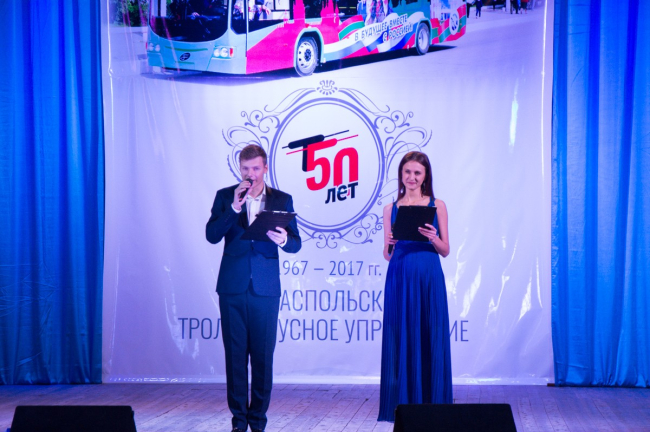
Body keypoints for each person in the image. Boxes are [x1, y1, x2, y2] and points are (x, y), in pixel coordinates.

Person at [206, 144, 302, 432]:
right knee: (235, 357)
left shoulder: (282, 199)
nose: (250, 174)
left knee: (262, 357)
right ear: (240, 168)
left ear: (265, 168)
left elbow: (295, 244)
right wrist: (234, 208)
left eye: (256, 168)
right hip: (232, 287)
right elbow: (212, 235)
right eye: (245, 169)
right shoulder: (225, 196)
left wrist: (283, 239)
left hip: (265, 288)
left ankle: (258, 421)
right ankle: (239, 422)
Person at [377, 151, 452, 422]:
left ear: (425, 176)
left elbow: (445, 250)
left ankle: (434, 406)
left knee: (430, 333)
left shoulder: (437, 205)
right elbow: (387, 255)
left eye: (417, 173)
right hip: (400, 276)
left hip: (428, 277)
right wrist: (390, 244)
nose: (411, 177)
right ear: (401, 174)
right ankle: (402, 405)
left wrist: (433, 237)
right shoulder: (390, 209)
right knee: (401, 335)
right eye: (407, 172)